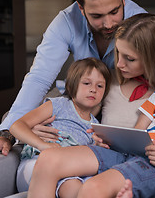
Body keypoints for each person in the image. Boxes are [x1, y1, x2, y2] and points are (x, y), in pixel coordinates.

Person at [0, 0, 146, 158]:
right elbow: (39, 78)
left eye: (114, 11)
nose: (108, 23)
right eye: (96, 16)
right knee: (17, 119)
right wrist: (6, 133)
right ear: (80, 7)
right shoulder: (66, 22)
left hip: (123, 107)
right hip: (82, 107)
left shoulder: (142, 22)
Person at [26, 38, 155, 198]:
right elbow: (138, 131)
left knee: (93, 187)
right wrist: (112, 139)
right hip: (128, 152)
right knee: (48, 159)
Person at [9, 57, 111, 192]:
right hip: (37, 164)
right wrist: (43, 145)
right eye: (87, 83)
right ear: (70, 86)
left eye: (100, 86)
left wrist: (97, 147)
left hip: (69, 173)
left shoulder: (96, 125)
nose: (93, 89)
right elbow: (16, 126)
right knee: (72, 185)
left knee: (80, 187)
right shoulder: (58, 105)